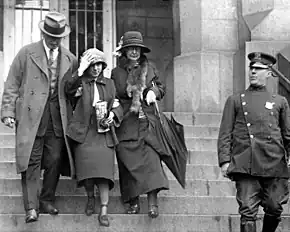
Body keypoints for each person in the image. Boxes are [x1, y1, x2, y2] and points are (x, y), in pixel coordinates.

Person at [0, 12, 78, 223]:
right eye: (50, 37)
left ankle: (46, 199)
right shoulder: (26, 53)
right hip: (31, 115)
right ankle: (31, 207)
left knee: (54, 160)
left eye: (58, 38)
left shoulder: (70, 58)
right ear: (43, 34)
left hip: (57, 117)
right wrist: (7, 111)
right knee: (31, 161)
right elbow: (12, 84)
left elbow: (72, 91)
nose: (54, 42)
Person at [217, 52, 290, 232]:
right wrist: (225, 161)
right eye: (251, 68)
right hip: (245, 162)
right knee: (248, 210)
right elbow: (225, 132)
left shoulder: (279, 101)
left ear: (269, 73)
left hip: (274, 162)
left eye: (258, 69)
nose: (253, 72)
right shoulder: (235, 100)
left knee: (274, 207)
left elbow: (288, 134)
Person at [111, 31, 169, 218]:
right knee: (128, 164)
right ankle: (133, 201)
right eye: (130, 49)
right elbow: (113, 93)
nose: (134, 52)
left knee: (152, 161)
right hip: (127, 123)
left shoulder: (150, 68)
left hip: (147, 123)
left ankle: (153, 204)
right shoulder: (116, 72)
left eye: (137, 49)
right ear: (124, 51)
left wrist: (153, 91)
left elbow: (160, 87)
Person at [65, 48, 123, 227]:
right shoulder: (80, 82)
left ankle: (104, 209)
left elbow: (117, 104)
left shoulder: (110, 84)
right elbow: (67, 89)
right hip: (84, 133)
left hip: (104, 134)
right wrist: (80, 70)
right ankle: (90, 197)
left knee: (104, 174)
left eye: (100, 64)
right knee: (88, 172)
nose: (96, 68)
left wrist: (112, 116)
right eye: (93, 64)